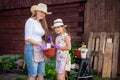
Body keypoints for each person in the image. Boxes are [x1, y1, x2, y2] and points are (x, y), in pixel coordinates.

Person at [24, 3, 51, 80]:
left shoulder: (40, 23)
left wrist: (45, 43)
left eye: (44, 13)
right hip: (32, 49)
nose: (43, 14)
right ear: (36, 11)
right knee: (32, 75)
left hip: (40, 50)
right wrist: (39, 43)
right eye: (41, 12)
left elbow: (38, 37)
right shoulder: (30, 21)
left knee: (41, 74)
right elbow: (27, 38)